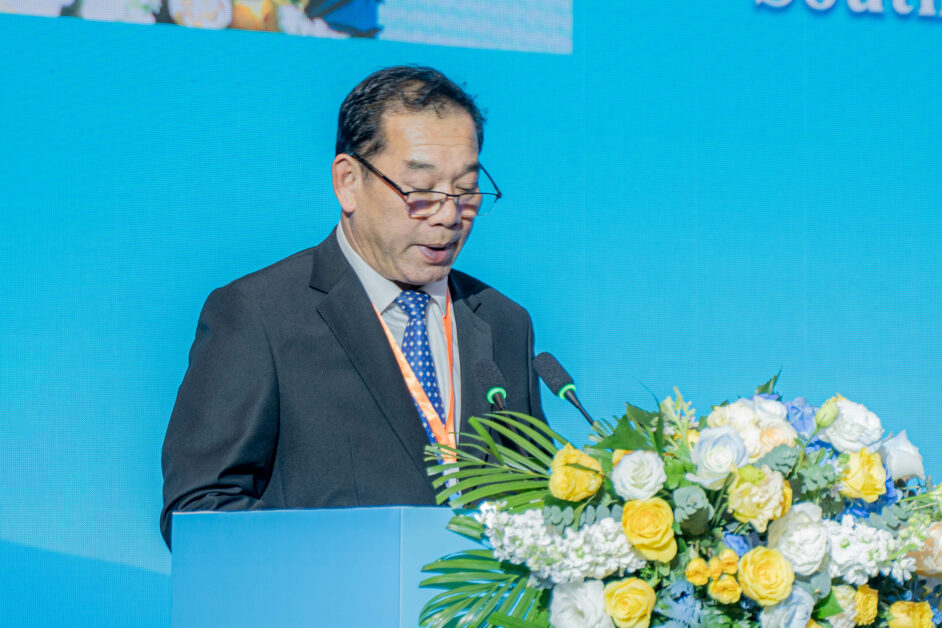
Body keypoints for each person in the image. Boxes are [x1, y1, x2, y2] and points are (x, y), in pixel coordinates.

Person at [160, 65, 545, 549]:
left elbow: (533, 498)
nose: (449, 215)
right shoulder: (261, 315)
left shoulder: (503, 322)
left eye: (466, 190)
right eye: (421, 191)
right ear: (348, 182)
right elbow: (199, 511)